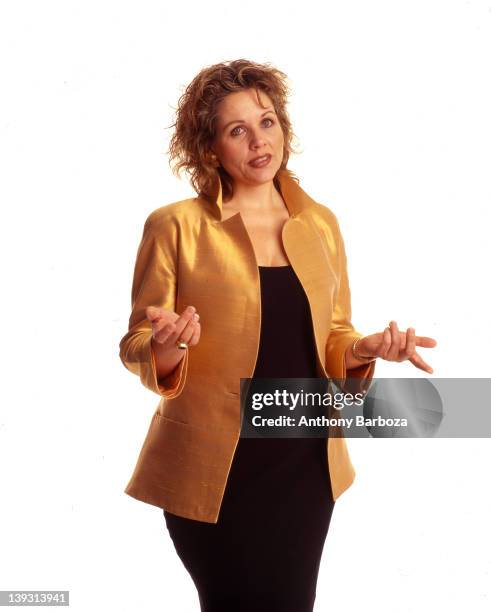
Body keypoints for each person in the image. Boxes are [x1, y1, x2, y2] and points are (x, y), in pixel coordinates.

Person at [119, 59, 437, 612]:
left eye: (266, 121)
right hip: (215, 469)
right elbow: (136, 344)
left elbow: (334, 333)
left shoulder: (320, 224)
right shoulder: (175, 225)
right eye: (236, 130)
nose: (258, 141)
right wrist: (167, 346)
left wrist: (364, 348)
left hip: (304, 462)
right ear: (210, 148)